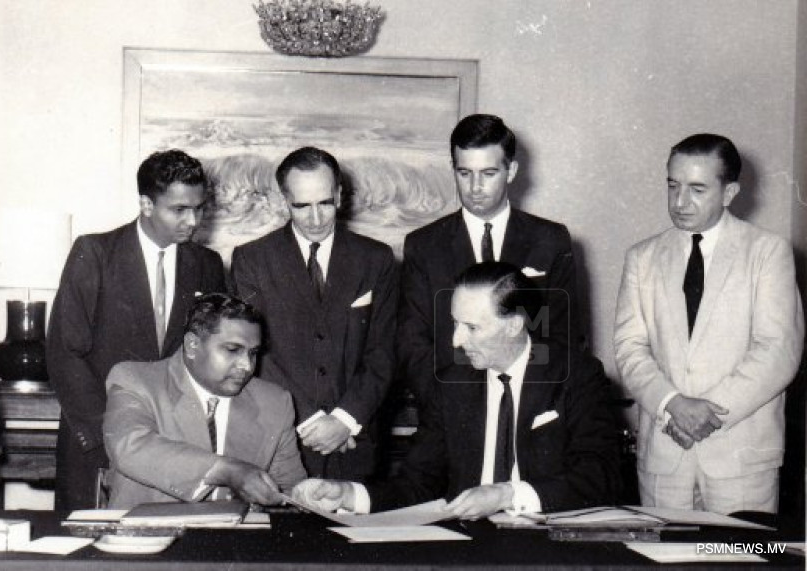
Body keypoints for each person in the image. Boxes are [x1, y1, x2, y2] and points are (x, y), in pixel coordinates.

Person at [294, 262, 618, 517]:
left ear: (514, 325)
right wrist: (350, 495)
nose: (455, 341)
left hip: (548, 544)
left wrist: (507, 494)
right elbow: (418, 484)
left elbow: (599, 476)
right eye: (455, 323)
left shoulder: (575, 375)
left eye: (472, 327)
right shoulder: (452, 384)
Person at [614, 134, 804, 514]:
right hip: (665, 457)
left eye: (697, 189)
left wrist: (705, 414)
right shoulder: (642, 257)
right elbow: (628, 346)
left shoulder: (767, 252)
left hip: (740, 458)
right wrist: (671, 404)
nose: (680, 201)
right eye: (673, 185)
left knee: (738, 561)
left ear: (730, 191)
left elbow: (778, 349)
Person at [47, 149, 226, 510]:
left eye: (199, 208)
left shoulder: (207, 264)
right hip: (101, 439)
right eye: (179, 210)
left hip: (179, 446)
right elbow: (65, 351)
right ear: (146, 203)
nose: (192, 221)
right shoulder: (94, 252)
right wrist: (111, 434)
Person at [231, 147, 397, 481]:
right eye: (301, 206)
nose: (316, 218)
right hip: (281, 438)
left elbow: (384, 349)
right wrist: (307, 421)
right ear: (283, 201)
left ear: (339, 195)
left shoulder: (376, 259)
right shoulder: (252, 260)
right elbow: (253, 353)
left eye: (325, 203)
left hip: (355, 440)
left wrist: (345, 419)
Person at [399, 114, 577, 403]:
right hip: (449, 407)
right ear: (453, 170)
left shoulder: (551, 240)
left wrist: (527, 400)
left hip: (531, 405)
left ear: (512, 170)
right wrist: (451, 406)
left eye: (488, 173)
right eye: (465, 173)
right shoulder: (423, 246)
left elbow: (563, 337)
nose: (475, 187)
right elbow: (414, 345)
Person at [103, 293, 306, 509]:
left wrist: (310, 496)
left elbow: (289, 492)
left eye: (253, 353)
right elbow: (130, 446)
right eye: (232, 350)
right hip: (150, 536)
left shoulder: (274, 402)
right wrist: (225, 470)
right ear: (192, 345)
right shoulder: (136, 380)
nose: (247, 366)